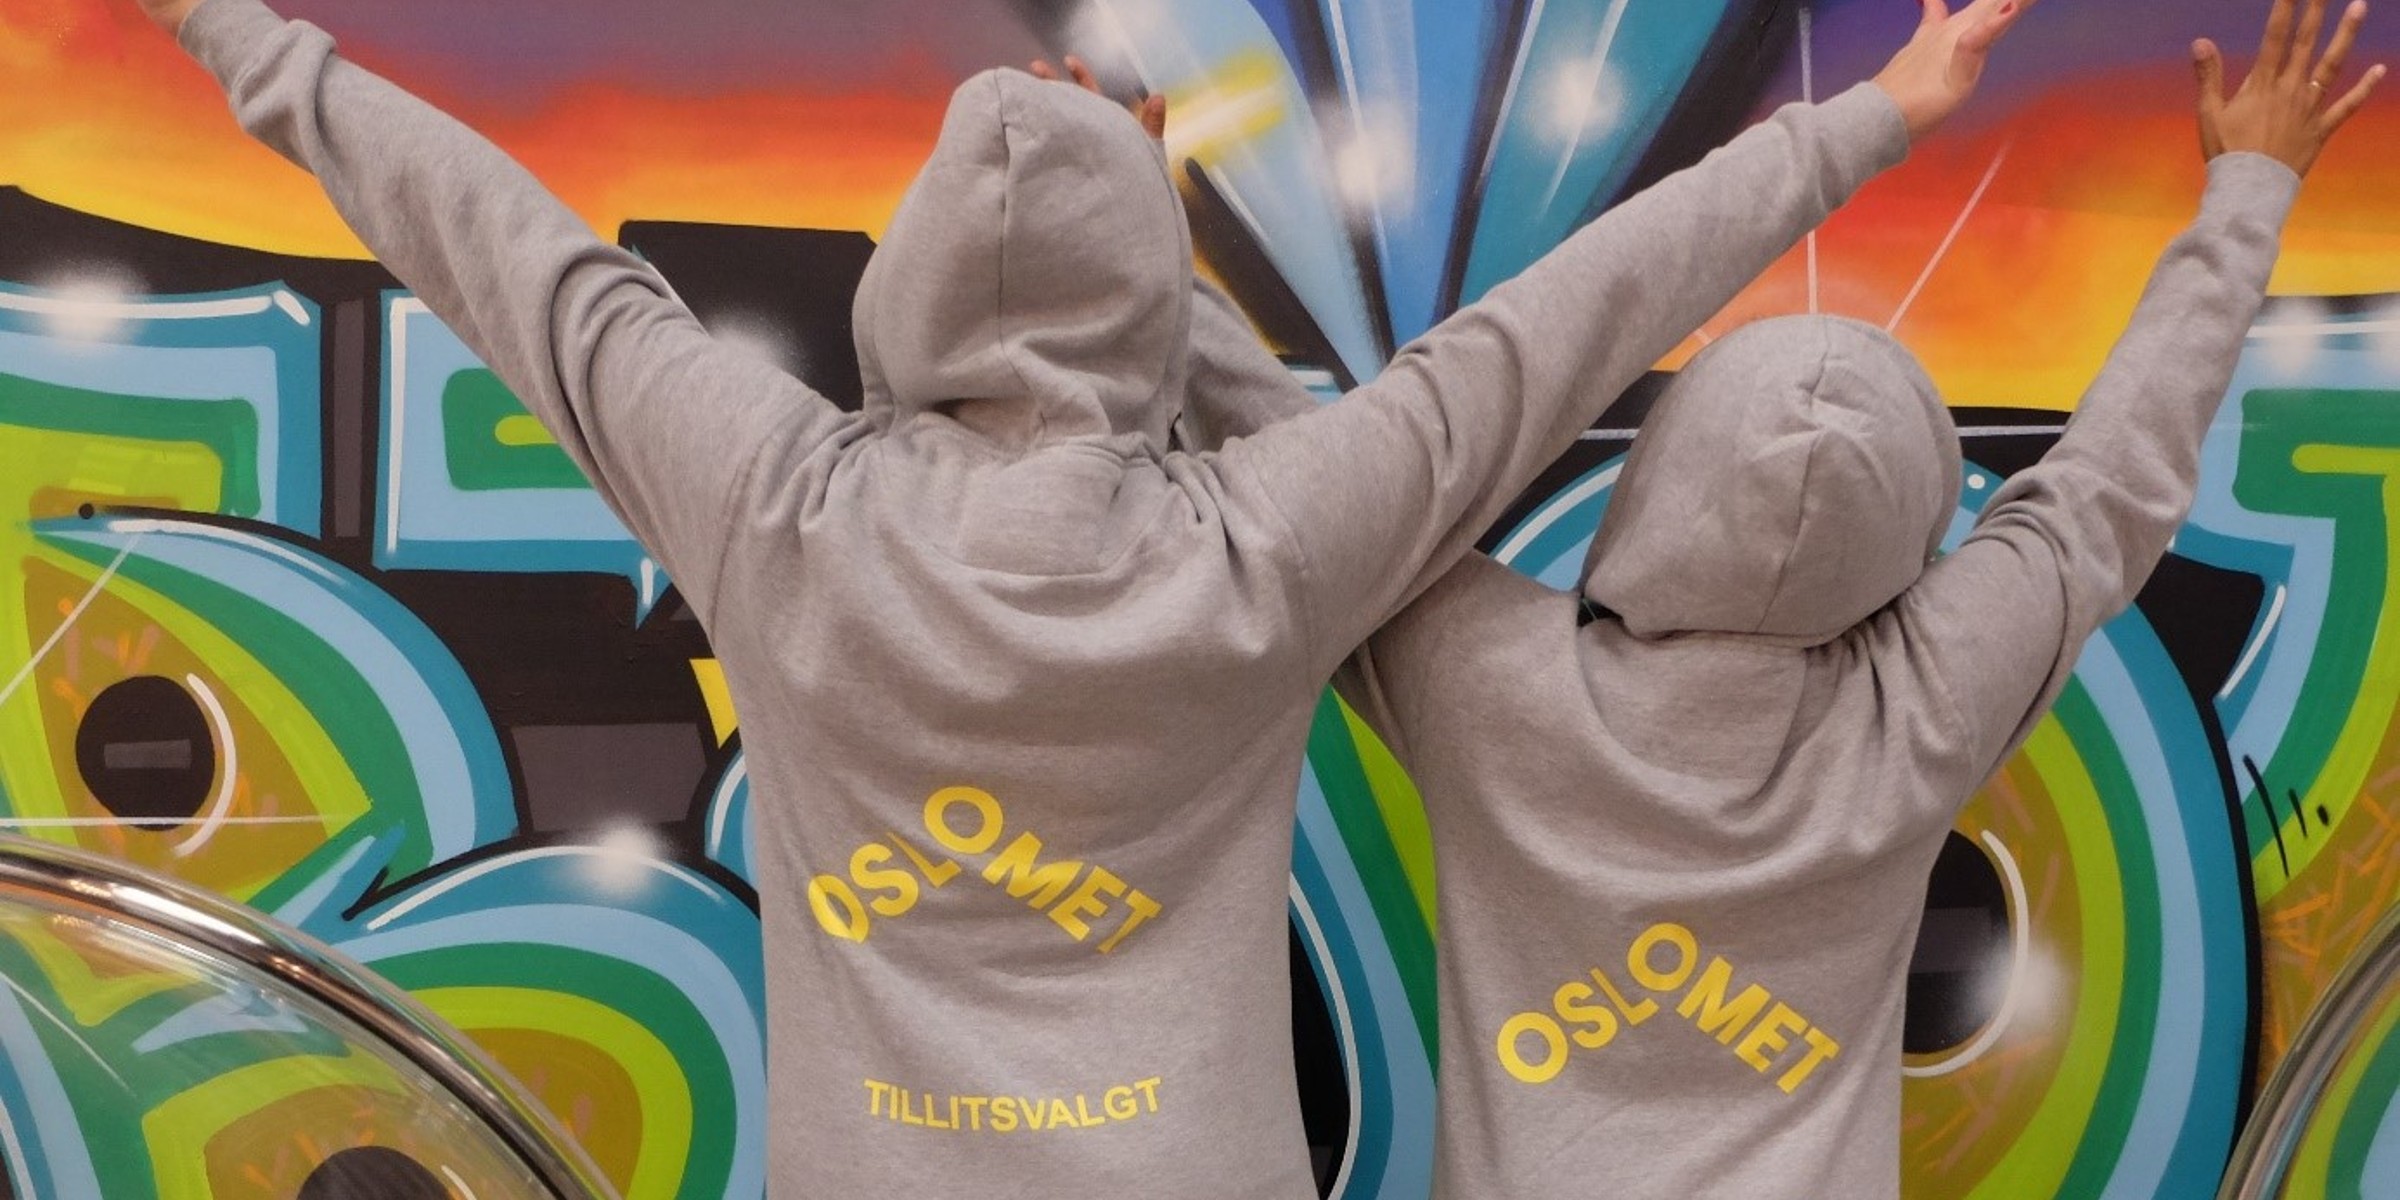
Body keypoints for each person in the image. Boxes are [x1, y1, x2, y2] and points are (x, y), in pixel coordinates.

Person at [133, 0, 2023, 1192]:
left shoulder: (774, 502)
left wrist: (232, 28)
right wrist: (1878, 115)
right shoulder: (1272, 538)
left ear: (913, 288)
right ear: (1142, 316)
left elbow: (499, 243)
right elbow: (1572, 319)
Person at [1171, 0, 2384, 1195]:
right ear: (1906, 537)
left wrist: (1139, 267)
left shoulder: (1483, 684)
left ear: (1659, 483)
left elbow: (1310, 496)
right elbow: (2111, 490)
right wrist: (2248, 194)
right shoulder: (1919, 708)